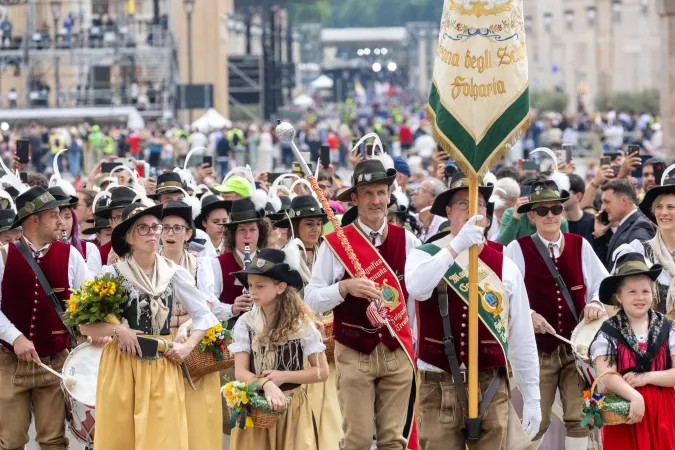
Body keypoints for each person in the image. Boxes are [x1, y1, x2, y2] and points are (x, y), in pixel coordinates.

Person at [406, 172, 541, 449]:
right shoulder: (425, 254)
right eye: (462, 205)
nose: (472, 212)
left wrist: (532, 397)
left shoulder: (505, 264)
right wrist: (456, 246)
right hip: (438, 381)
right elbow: (418, 287)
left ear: (487, 215)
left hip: (491, 383)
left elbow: (521, 337)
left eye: (478, 205)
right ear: (448, 212)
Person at [79, 201, 219, 450]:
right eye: (143, 228)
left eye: (156, 227)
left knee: (162, 438)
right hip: (122, 364)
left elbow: (204, 316)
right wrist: (118, 329)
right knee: (121, 437)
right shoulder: (111, 274)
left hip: (161, 364)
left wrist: (187, 347)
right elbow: (85, 327)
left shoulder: (174, 273)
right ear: (129, 237)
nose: (153, 233)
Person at [305, 159, 419, 450]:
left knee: (394, 441)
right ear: (354, 199)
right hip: (354, 351)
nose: (375, 200)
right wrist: (344, 287)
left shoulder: (408, 241)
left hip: (397, 351)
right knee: (356, 440)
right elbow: (312, 300)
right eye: (367, 193)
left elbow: (417, 298)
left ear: (390, 196)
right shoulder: (335, 243)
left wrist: (414, 342)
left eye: (381, 192)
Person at [504, 179, 608, 450]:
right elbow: (505, 294)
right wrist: (529, 314)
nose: (550, 215)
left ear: (562, 212)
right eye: (542, 210)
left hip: (576, 349)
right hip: (538, 350)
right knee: (536, 418)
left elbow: (602, 283)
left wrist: (595, 301)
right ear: (532, 216)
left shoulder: (579, 244)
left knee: (579, 417)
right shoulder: (517, 248)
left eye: (555, 209)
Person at [0, 186, 88, 450]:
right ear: (34, 219)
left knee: (53, 441)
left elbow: (86, 306)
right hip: (9, 363)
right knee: (11, 441)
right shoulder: (3, 255)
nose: (62, 222)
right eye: (54, 216)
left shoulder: (71, 255)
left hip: (55, 362)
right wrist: (15, 338)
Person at [228, 247, 328, 450]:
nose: (252, 292)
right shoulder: (246, 323)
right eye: (250, 285)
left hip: (292, 409)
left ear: (280, 287)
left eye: (260, 286)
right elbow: (240, 371)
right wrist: (266, 384)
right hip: (256, 407)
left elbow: (322, 372)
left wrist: (284, 377)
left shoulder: (302, 324)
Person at [589, 249, 675, 449]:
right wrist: (635, 395)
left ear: (652, 293)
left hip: (663, 413)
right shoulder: (609, 332)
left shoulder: (668, 328)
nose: (640, 297)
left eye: (645, 291)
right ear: (619, 297)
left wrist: (646, 378)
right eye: (632, 292)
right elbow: (607, 374)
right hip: (625, 413)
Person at [161, 201, 229, 450]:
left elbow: (207, 308)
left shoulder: (200, 264)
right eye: (165, 228)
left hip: (195, 341)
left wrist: (182, 325)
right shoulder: (150, 264)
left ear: (188, 233)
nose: (170, 234)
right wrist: (179, 320)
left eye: (177, 228)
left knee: (199, 415)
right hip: (162, 342)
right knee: (166, 415)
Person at [211, 195, 270, 325]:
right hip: (229, 333)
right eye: (242, 230)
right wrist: (232, 308)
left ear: (260, 233)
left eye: (252, 230)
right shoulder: (217, 264)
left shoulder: (269, 261)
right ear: (233, 234)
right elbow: (208, 306)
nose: (247, 236)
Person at [593, 179, 655, 270]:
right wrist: (600, 235)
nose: (603, 207)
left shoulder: (640, 228)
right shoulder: (625, 225)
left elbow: (638, 272)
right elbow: (605, 268)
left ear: (623, 201)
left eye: (607, 202)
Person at [638, 177, 675, 317]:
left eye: (671, 207)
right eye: (659, 207)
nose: (663, 212)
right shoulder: (639, 251)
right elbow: (615, 296)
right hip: (653, 336)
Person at [48, 186, 102, 275]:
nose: (62, 223)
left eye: (67, 217)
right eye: (54, 216)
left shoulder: (89, 249)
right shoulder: (39, 252)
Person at [93, 185, 136, 265]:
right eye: (119, 217)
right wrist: (109, 269)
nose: (124, 222)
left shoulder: (149, 247)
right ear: (111, 222)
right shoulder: (98, 254)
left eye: (128, 215)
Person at [412, 178, 447, 242]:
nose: (414, 193)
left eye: (421, 190)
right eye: (416, 189)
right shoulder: (409, 221)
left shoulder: (443, 226)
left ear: (434, 200)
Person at [564, 174, 595, 242]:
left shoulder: (593, 222)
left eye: (564, 192)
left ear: (578, 196)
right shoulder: (556, 222)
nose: (560, 197)